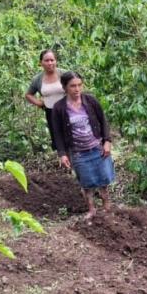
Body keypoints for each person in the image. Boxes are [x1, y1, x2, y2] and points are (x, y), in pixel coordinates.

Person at [51, 71, 114, 221]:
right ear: (65, 87)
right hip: (78, 152)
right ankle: (92, 210)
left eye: (79, 85)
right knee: (87, 183)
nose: (77, 89)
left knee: (104, 180)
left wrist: (107, 141)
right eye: (73, 86)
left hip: (97, 147)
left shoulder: (91, 101)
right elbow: (57, 133)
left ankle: (107, 206)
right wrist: (62, 153)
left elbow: (103, 121)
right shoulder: (59, 108)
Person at [25, 49, 66, 150]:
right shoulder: (38, 79)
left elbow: (76, 86)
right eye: (46, 60)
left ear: (56, 61)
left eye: (52, 60)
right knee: (58, 140)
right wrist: (39, 103)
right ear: (41, 63)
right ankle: (65, 160)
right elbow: (28, 95)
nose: (50, 63)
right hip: (51, 113)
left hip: (68, 110)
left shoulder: (64, 74)